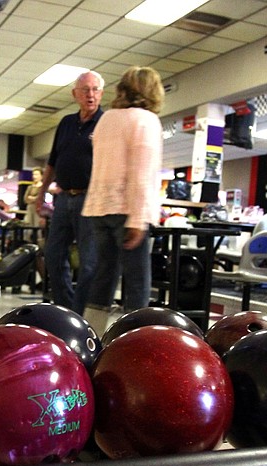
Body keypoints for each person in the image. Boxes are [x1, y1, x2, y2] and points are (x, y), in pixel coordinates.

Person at [81, 66, 165, 335]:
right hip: (127, 209)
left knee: (104, 275)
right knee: (138, 281)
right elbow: (142, 173)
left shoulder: (106, 119)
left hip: (98, 208)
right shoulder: (146, 120)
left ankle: (90, 335)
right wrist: (139, 219)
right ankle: (134, 339)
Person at [37, 71, 104, 314]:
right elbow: (52, 162)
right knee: (53, 256)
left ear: (101, 93)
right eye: (85, 89)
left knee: (89, 263)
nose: (90, 94)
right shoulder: (66, 123)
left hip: (90, 199)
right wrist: (41, 194)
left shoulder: (105, 124)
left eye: (95, 89)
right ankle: (65, 310)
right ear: (75, 94)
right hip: (63, 199)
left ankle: (79, 315)